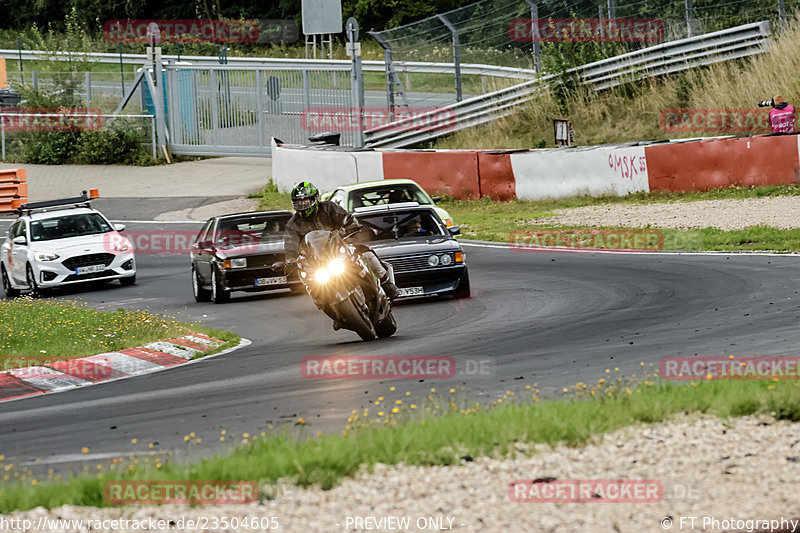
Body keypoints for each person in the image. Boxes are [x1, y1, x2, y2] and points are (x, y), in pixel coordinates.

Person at [282, 181, 400, 328]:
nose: (303, 204)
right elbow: (290, 245)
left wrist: (350, 227)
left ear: (314, 199)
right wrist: (290, 261)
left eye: (306, 200)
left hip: (339, 249)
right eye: (299, 201)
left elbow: (347, 218)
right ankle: (335, 311)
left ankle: (386, 283)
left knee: (366, 253)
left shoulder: (328, 208)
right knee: (311, 284)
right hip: (317, 261)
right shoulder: (293, 224)